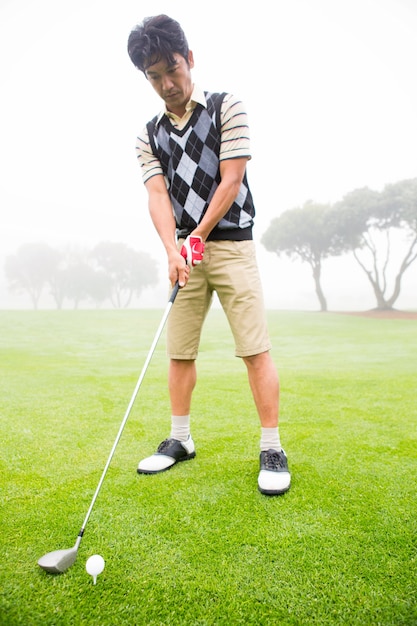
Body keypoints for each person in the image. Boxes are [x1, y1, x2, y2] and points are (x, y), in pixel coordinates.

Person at [127, 14, 290, 496]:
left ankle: (272, 446)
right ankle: (180, 440)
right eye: (153, 76)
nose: (166, 84)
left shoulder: (225, 107)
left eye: (171, 69)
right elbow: (158, 196)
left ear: (189, 59)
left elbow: (231, 179)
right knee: (179, 353)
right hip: (185, 254)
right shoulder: (147, 134)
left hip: (232, 246)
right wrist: (173, 249)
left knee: (254, 349)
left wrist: (196, 235)